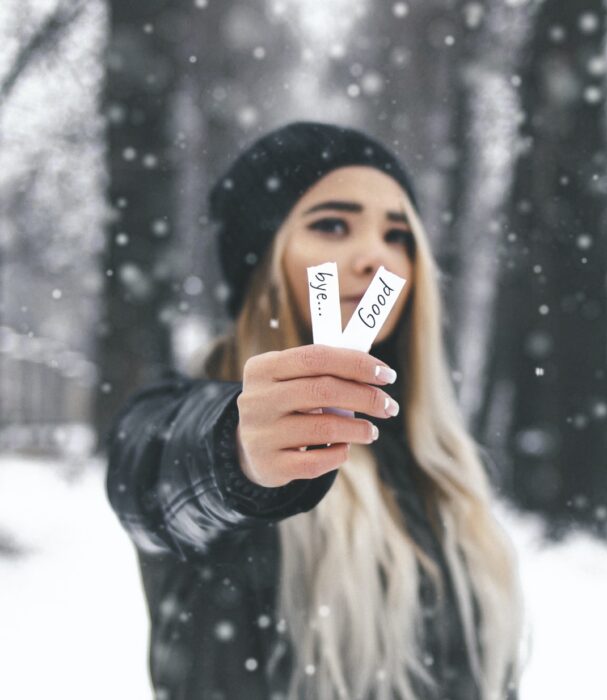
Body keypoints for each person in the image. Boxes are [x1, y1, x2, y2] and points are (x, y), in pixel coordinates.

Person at [106, 121, 525, 700]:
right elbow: (151, 472)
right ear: (262, 259)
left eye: (398, 234)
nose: (375, 256)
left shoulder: (436, 470)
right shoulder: (185, 419)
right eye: (332, 224)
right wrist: (236, 453)